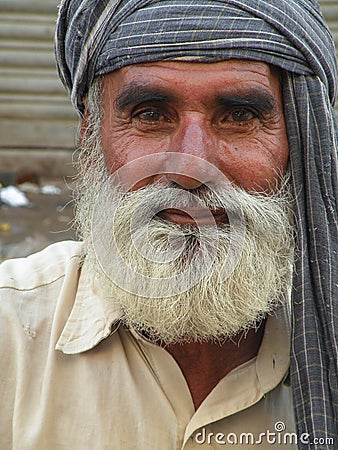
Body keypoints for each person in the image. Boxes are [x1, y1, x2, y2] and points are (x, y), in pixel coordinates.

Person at [0, 0, 337, 448]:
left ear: (299, 143)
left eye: (239, 116)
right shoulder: (10, 333)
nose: (191, 165)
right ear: (90, 141)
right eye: (151, 115)